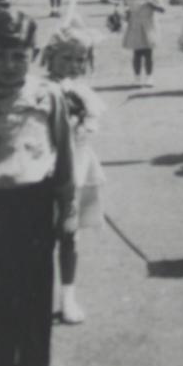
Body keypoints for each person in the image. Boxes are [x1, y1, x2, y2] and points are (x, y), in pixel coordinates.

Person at [0, 9, 75, 366]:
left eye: (18, 56)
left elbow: (64, 156)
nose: (9, 66)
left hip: (35, 204)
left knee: (33, 296)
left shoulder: (49, 96)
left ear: (33, 53)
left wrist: (69, 208)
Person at [42, 21, 105, 325]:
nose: (74, 65)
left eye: (80, 59)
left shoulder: (84, 93)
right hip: (44, 170)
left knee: (69, 234)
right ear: (49, 57)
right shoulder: (41, 90)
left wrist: (80, 120)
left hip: (76, 168)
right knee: (39, 236)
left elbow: (89, 128)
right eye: (66, 58)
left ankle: (68, 296)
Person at [121, 0, 165, 87]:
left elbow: (162, 9)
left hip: (149, 26)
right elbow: (127, 11)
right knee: (137, 53)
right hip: (135, 26)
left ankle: (149, 76)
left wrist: (153, 4)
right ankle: (136, 77)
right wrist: (123, 16)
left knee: (148, 53)